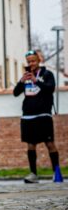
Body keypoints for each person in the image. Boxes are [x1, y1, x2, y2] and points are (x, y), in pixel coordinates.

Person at [13, 50, 62, 183]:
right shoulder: (26, 76)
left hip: (43, 115)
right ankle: (33, 174)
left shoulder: (47, 74)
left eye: (33, 61)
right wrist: (22, 81)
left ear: (39, 60)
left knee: (50, 144)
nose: (31, 64)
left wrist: (36, 81)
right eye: (29, 62)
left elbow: (50, 88)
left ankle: (56, 172)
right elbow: (15, 93)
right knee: (30, 145)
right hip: (28, 116)